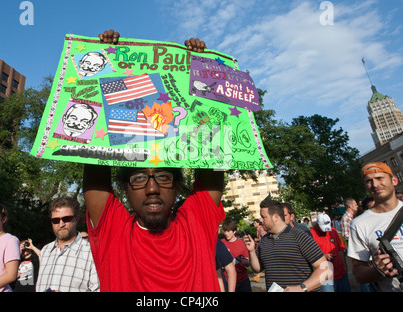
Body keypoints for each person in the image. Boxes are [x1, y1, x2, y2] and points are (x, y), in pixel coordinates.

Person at [82, 30, 224, 292]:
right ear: (124, 189)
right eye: (138, 178)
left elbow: (215, 152)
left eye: (163, 177)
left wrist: (201, 72)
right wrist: (100, 63)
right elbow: (93, 151)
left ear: (178, 185)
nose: (151, 188)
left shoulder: (197, 221)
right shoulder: (114, 231)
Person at [244, 198, 330, 292]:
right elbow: (257, 269)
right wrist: (251, 251)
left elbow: (325, 269)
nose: (260, 220)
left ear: (276, 217)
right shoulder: (264, 241)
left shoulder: (300, 236)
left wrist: (302, 288)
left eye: (263, 217)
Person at [348, 162, 403, 292]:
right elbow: (359, 273)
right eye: (369, 181)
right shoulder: (359, 224)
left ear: (394, 180)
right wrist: (377, 269)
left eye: (379, 178)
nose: (375, 185)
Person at [36, 196, 99, 292]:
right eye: (56, 220)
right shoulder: (45, 250)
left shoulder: (91, 252)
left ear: (76, 219)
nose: (61, 224)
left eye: (66, 219)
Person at [310, 213, 351, 292]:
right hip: (324, 276)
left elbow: (340, 250)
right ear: (317, 224)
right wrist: (323, 256)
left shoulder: (333, 231)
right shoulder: (310, 234)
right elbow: (309, 255)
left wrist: (345, 267)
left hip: (340, 272)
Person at [221, 219, 251, 292]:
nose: (226, 233)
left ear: (234, 231)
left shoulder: (241, 243)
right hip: (227, 280)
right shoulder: (221, 243)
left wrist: (243, 261)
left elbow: (248, 264)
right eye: (225, 231)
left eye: (228, 231)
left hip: (243, 280)